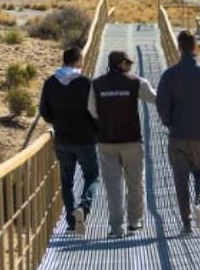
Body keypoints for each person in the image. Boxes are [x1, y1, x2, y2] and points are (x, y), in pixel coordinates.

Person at [156, 30, 200, 235]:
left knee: (181, 179)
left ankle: (186, 223)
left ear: (179, 48)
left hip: (177, 135)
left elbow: (161, 104)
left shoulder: (169, 75)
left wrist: (169, 123)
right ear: (195, 47)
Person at [89, 50, 157, 238]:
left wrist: (105, 121)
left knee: (113, 186)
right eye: (128, 63)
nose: (130, 66)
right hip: (131, 141)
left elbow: (91, 110)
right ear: (121, 64)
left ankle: (116, 227)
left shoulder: (96, 84)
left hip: (106, 142)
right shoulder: (136, 82)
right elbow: (154, 98)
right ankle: (134, 222)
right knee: (135, 182)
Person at [39, 47, 99, 236]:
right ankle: (84, 206)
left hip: (62, 139)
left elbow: (44, 112)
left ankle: (71, 222)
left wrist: (57, 122)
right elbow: (95, 110)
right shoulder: (85, 82)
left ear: (63, 60)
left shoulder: (50, 83)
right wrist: (97, 130)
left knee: (66, 181)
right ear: (79, 60)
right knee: (92, 176)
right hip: (85, 139)